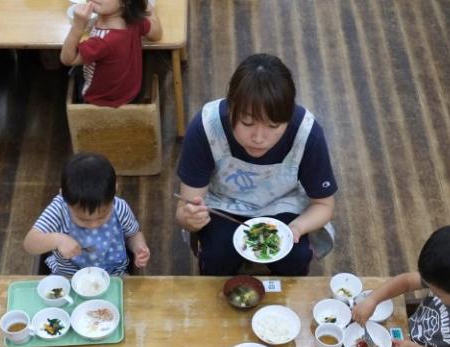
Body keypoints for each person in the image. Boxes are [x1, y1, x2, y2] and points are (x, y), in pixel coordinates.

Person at [175, 53, 337, 276]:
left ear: (289, 118)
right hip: (223, 206)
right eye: (247, 123)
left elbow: (324, 205)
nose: (259, 138)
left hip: (283, 204)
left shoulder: (307, 133)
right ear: (229, 108)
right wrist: (191, 218)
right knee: (217, 256)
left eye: (273, 126)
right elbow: (185, 210)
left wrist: (296, 228)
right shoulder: (205, 127)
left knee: (294, 257)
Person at [23, 153, 150, 275]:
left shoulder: (119, 208)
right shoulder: (59, 209)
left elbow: (133, 234)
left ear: (114, 192)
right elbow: (29, 244)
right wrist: (57, 240)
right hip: (68, 277)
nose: (93, 225)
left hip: (114, 275)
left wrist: (139, 248)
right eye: (83, 220)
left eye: (102, 217)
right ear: (64, 198)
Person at [60, 0, 161, 107]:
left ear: (124, 3)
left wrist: (78, 26)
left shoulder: (103, 40)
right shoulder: (134, 19)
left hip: (100, 100)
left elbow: (67, 59)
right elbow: (157, 35)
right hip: (130, 92)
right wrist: (147, 6)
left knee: (71, 72)